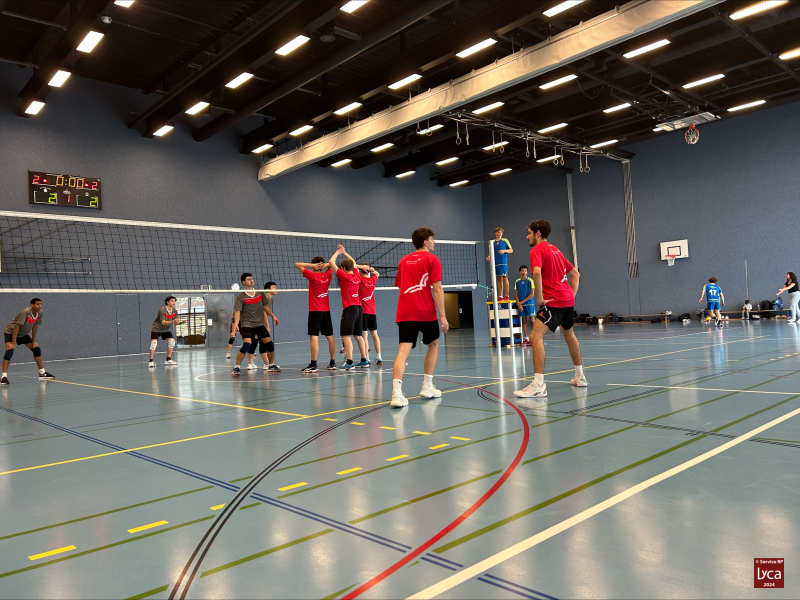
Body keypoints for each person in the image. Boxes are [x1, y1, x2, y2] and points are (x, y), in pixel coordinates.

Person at [514, 220, 586, 399]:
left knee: (534, 337)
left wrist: (539, 298)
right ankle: (580, 376)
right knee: (569, 335)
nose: (527, 236)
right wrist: (570, 296)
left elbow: (536, 272)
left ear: (537, 233)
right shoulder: (556, 250)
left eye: (529, 233)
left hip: (554, 301)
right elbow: (575, 274)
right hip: (567, 300)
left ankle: (538, 386)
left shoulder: (537, 250)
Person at [390, 227, 450, 408]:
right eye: (432, 239)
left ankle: (396, 395)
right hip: (425, 311)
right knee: (433, 345)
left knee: (403, 351)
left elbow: (401, 287)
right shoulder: (432, 259)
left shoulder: (403, 261)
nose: (434, 242)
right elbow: (437, 288)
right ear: (425, 242)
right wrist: (443, 316)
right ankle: (427, 386)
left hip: (405, 312)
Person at [295, 256, 337, 373]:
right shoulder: (328, 275)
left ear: (314, 266)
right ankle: (332, 363)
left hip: (315, 311)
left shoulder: (312, 276)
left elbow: (297, 264)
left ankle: (313, 365)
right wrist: (324, 265)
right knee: (330, 337)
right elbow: (331, 264)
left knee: (314, 336)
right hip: (326, 311)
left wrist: (312, 266)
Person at [330, 245, 368, 371]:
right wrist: (345, 253)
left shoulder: (345, 276)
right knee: (358, 335)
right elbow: (354, 262)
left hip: (350, 309)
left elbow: (331, 262)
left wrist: (338, 252)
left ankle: (350, 362)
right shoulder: (357, 276)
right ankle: (364, 360)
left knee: (345, 335)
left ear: (344, 268)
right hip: (359, 308)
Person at [230, 273, 275, 376]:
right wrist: (236, 325)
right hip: (247, 325)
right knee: (247, 345)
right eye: (249, 279)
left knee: (269, 344)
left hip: (259, 324)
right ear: (243, 282)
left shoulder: (259, 292)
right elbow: (237, 312)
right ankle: (236, 367)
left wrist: (273, 316)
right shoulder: (240, 297)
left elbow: (265, 307)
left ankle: (271, 365)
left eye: (252, 279)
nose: (251, 280)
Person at [2, 298, 54, 384]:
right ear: (32, 305)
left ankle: (42, 373)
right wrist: (13, 343)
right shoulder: (25, 312)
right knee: (9, 350)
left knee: (36, 349)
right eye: (37, 304)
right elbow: (16, 327)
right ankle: (3, 377)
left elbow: (35, 327)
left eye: (40, 304)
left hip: (22, 333)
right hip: (11, 331)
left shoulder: (40, 313)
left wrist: (33, 342)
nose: (40, 306)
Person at [245, 282, 280, 372]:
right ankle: (265, 364)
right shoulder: (267, 297)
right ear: (268, 289)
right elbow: (264, 312)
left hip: (255, 323)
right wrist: (267, 326)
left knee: (258, 342)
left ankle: (263, 363)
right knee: (263, 343)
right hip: (256, 323)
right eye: (274, 287)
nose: (276, 289)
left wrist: (273, 317)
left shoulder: (268, 298)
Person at [148, 295, 184, 368]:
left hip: (165, 330)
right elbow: (163, 322)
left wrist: (181, 322)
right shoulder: (162, 310)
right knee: (154, 343)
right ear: (167, 302)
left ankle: (168, 359)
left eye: (174, 301)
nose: (174, 302)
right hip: (156, 329)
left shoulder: (175, 311)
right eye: (172, 301)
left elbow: (176, 323)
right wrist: (173, 321)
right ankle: (151, 361)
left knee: (172, 342)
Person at [485, 227, 513, 301]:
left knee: (505, 278)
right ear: (495, 233)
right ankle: (500, 296)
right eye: (498, 232)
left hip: (503, 263)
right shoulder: (493, 242)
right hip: (496, 263)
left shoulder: (505, 240)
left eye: (501, 232)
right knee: (499, 279)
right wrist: (489, 257)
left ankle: (507, 295)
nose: (500, 233)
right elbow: (492, 252)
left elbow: (511, 250)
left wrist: (504, 250)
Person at [515, 265, 536, 346]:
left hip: (529, 303)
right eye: (523, 271)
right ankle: (526, 339)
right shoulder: (517, 282)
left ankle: (535, 338)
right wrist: (518, 303)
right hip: (521, 305)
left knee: (532, 320)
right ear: (520, 272)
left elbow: (532, 294)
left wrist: (522, 302)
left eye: (525, 271)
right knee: (524, 320)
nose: (524, 272)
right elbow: (516, 294)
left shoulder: (530, 281)